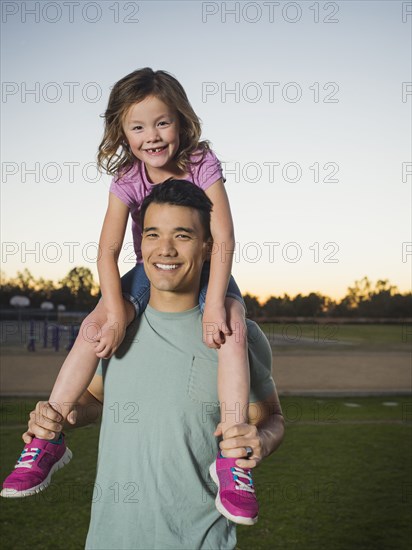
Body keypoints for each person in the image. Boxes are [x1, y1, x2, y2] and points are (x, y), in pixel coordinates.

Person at [3, 68, 256, 522]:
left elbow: (223, 239)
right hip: (148, 269)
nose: (152, 136)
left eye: (162, 123)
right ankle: (48, 437)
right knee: (95, 326)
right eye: (137, 127)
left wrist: (216, 302)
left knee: (233, 327)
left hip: (202, 265)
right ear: (122, 131)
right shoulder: (127, 179)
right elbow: (107, 252)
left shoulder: (201, 162)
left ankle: (233, 457)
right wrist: (116, 313)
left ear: (180, 121)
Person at [23, 181, 285, 549]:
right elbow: (93, 401)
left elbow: (272, 417)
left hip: (201, 539)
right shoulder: (115, 328)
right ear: (140, 243)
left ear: (208, 246)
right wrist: (56, 418)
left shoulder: (236, 334)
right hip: (109, 538)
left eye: (182, 235)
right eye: (153, 234)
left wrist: (260, 439)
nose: (165, 249)